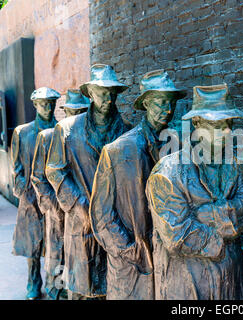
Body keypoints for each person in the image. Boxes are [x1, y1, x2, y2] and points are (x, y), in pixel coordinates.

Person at [146, 84, 243, 300]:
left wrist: (210, 213)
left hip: (232, 284)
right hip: (189, 287)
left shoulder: (232, 165)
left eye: (229, 123)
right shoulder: (169, 172)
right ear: (197, 124)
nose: (227, 131)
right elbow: (178, 237)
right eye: (217, 125)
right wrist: (228, 231)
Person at [89, 69, 186, 299]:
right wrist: (130, 250)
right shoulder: (118, 150)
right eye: (161, 103)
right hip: (130, 263)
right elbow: (101, 213)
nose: (168, 109)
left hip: (168, 258)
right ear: (146, 104)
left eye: (171, 103)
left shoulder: (177, 146)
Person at [45, 64, 130, 299]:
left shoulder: (126, 132)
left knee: (111, 285)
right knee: (81, 287)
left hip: (115, 222)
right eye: (102, 92)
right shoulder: (67, 129)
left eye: (112, 93)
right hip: (81, 220)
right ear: (90, 93)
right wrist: (79, 203)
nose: (109, 98)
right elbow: (54, 171)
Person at [31, 89, 89, 300]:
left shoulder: (86, 138)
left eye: (82, 111)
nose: (78, 115)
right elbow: (38, 177)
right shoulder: (48, 136)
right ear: (65, 112)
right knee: (57, 252)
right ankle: (56, 290)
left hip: (79, 210)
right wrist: (54, 206)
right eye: (74, 111)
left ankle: (73, 289)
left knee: (77, 254)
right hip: (58, 209)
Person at [11, 87, 60, 300]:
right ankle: (33, 282)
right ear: (35, 105)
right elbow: (16, 168)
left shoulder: (61, 130)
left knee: (56, 245)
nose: (47, 108)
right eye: (43, 104)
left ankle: (54, 285)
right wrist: (23, 190)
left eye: (51, 103)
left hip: (55, 199)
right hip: (30, 199)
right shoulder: (22, 132)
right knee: (32, 246)